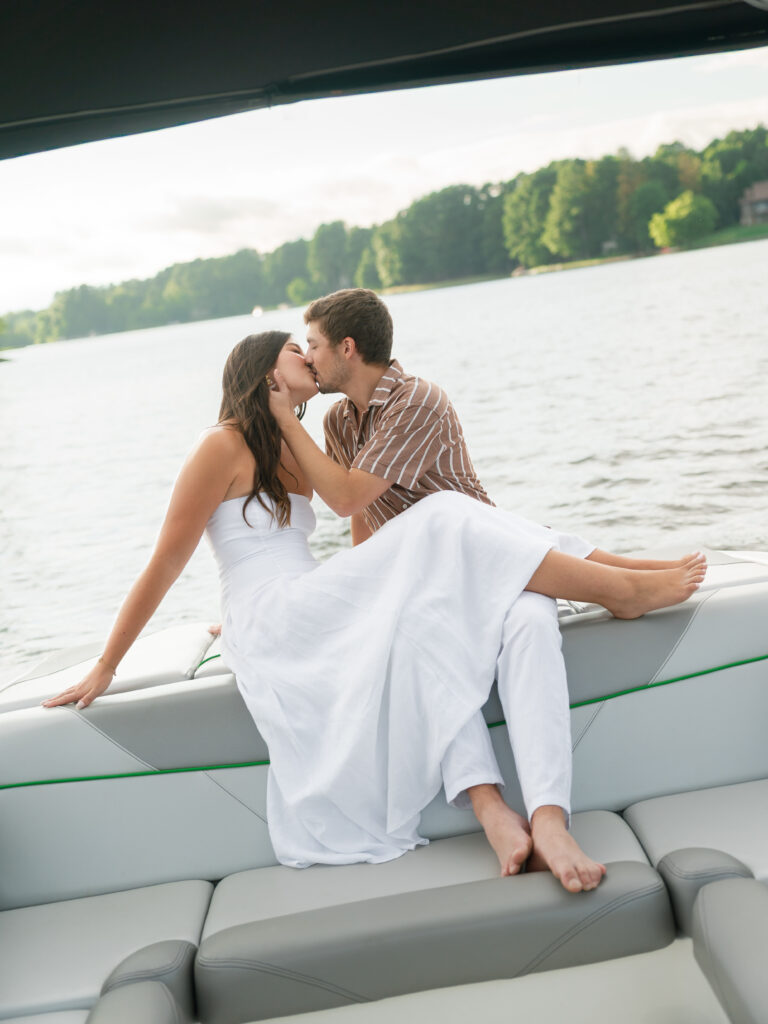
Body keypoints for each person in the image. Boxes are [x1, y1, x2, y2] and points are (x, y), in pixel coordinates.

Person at [43, 331, 705, 895]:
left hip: (307, 600)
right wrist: (107, 664)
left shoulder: (296, 440)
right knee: (446, 514)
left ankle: (493, 803)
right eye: (294, 351)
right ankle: (622, 587)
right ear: (263, 372)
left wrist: (375, 582)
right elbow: (166, 561)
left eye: (310, 348)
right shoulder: (219, 446)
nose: (308, 357)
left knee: (435, 586)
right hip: (274, 616)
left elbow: (356, 527)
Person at [266, 289, 708, 891]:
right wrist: (367, 590)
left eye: (313, 344)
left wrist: (285, 421)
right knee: (414, 637)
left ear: (348, 347)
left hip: (487, 564)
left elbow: (347, 495)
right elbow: (358, 515)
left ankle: (551, 819)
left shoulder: (416, 398)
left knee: (529, 624)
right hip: (425, 587)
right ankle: (491, 808)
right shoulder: (340, 421)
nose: (309, 356)